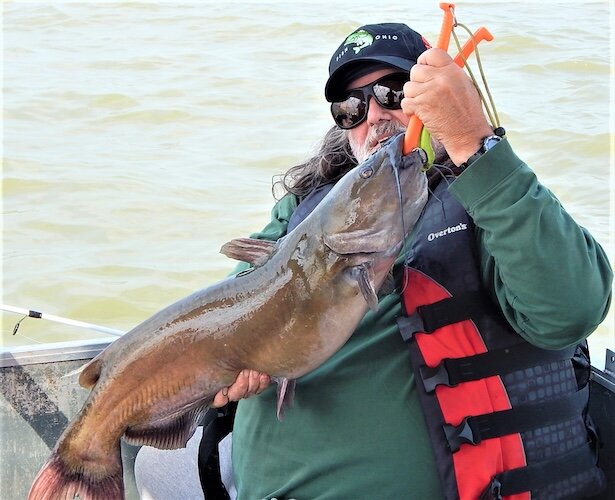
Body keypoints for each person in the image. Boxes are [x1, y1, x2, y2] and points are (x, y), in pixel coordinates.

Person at [147, 22, 613, 499]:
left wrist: (475, 143)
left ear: (434, 100)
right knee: (148, 460)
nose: (373, 116)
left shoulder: (491, 200)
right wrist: (226, 365)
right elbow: (234, 305)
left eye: (392, 93)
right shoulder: (304, 208)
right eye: (350, 107)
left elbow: (571, 307)